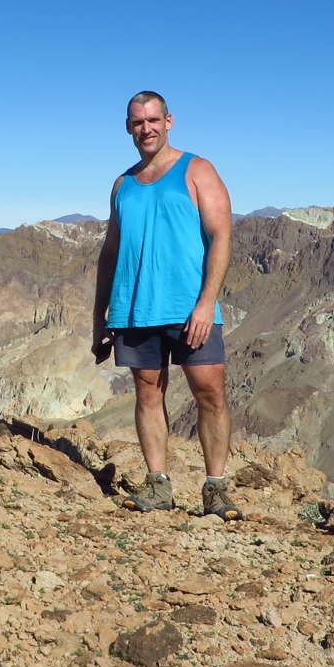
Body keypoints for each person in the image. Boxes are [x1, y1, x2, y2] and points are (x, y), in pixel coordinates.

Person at [92, 90, 240, 520]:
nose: (146, 129)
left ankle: (216, 488)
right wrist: (99, 316)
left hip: (189, 307)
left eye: (153, 120)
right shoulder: (123, 184)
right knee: (147, 393)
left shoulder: (197, 170)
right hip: (135, 307)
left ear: (169, 121)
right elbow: (110, 252)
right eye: (138, 122)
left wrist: (206, 303)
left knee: (210, 392)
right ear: (128, 127)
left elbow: (221, 236)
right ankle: (158, 485)